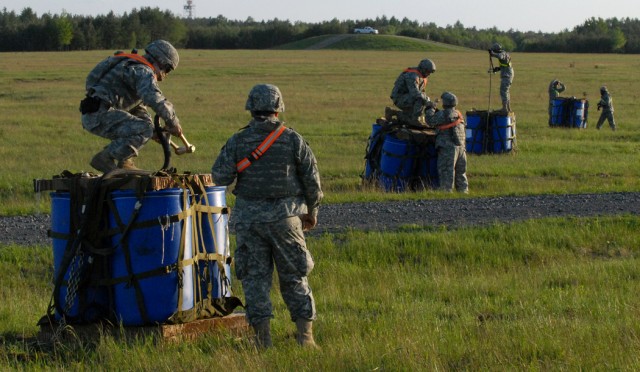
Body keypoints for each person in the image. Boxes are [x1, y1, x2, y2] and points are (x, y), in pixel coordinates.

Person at [211, 84, 323, 349]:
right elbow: (312, 180)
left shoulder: (238, 141)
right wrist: (312, 212)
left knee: (254, 280)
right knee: (295, 277)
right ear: (278, 107)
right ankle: (305, 339)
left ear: (251, 106)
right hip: (286, 220)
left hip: (250, 221)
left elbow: (219, 177)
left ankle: (263, 342)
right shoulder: (293, 139)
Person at [80, 39, 183, 173]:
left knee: (146, 129)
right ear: (160, 61)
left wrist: (155, 132)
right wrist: (173, 121)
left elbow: (137, 108)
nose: (165, 75)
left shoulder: (132, 65)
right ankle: (105, 158)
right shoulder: (143, 71)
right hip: (99, 114)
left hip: (97, 112)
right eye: (167, 69)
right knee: (144, 129)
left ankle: (125, 162)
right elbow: (154, 98)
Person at [430, 92, 468, 193]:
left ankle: (446, 194)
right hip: (461, 148)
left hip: (448, 148)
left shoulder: (444, 114)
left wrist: (431, 108)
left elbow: (430, 121)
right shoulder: (459, 114)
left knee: (447, 171)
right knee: (461, 172)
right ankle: (463, 192)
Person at [389, 58, 436, 126]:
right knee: (420, 99)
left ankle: (393, 112)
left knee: (409, 116)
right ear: (422, 69)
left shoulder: (421, 76)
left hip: (407, 97)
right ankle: (415, 120)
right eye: (427, 72)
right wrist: (427, 101)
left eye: (430, 72)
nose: (428, 74)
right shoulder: (412, 76)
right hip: (399, 98)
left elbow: (421, 92)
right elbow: (415, 93)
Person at [488, 43, 514, 113]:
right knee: (506, 91)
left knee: (503, 91)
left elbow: (500, 56)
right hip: (508, 73)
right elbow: (505, 64)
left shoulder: (502, 54)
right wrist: (498, 68)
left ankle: (505, 108)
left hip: (507, 75)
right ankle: (508, 108)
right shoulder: (505, 53)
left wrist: (492, 54)